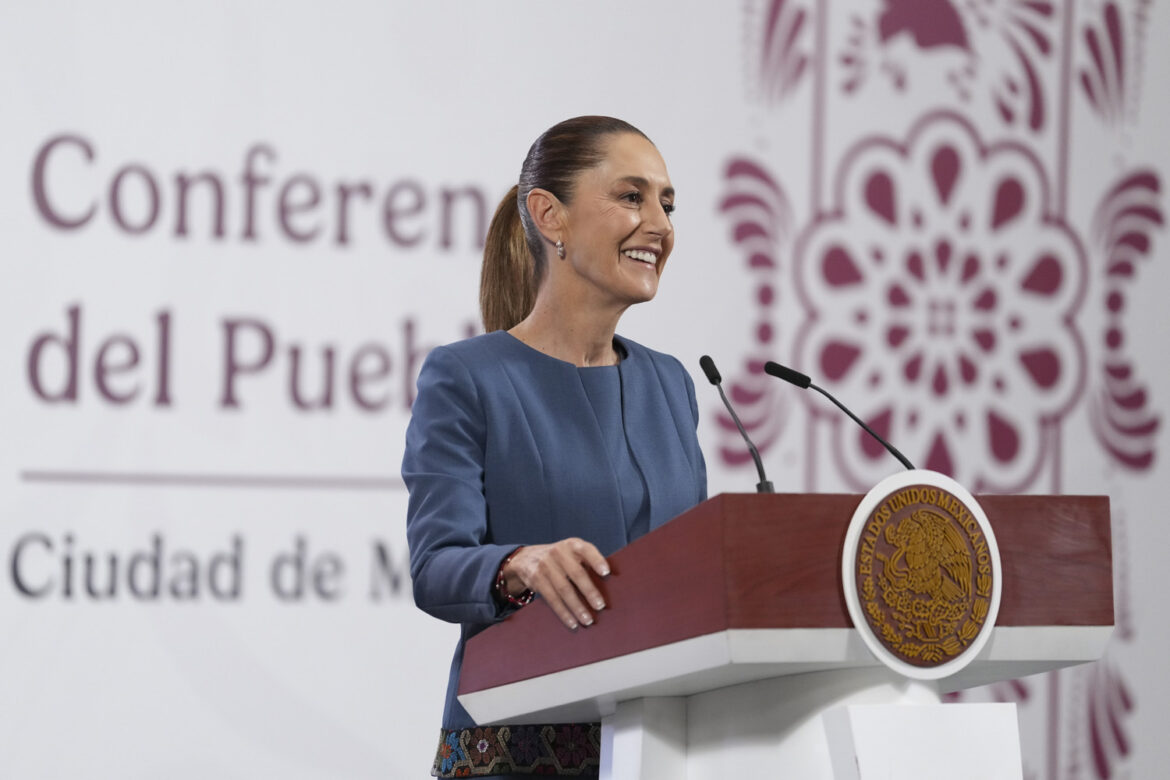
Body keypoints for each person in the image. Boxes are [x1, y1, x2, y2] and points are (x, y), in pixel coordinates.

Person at [403, 116, 707, 778]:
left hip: (661, 743)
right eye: (632, 197)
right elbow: (434, 565)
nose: (660, 224)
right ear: (549, 216)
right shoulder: (465, 376)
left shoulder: (672, 384)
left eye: (667, 203)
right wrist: (520, 564)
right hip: (516, 749)